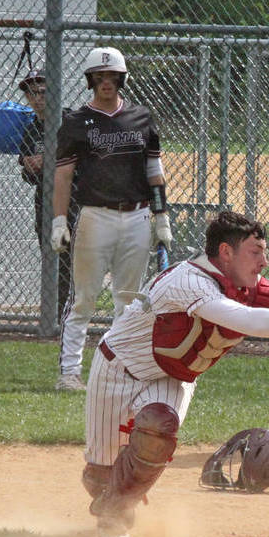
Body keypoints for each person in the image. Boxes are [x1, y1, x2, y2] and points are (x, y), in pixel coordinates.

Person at [81, 211, 269, 537]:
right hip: (118, 369)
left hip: (171, 377)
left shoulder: (253, 288)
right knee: (99, 476)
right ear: (225, 253)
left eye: (265, 251)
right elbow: (247, 321)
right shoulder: (188, 281)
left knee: (158, 428)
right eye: (255, 252)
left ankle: (118, 512)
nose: (265, 261)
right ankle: (109, 493)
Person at [50, 47, 174, 391]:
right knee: (83, 298)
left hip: (137, 215)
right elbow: (62, 176)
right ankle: (70, 372)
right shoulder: (76, 122)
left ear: (122, 79)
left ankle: (119, 369)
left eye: (112, 77)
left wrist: (161, 215)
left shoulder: (141, 117)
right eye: (99, 77)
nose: (106, 83)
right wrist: (59, 220)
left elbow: (154, 170)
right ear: (90, 80)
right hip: (95, 216)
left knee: (129, 299)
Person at [17, 69, 78, 319]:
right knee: (53, 260)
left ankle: (71, 313)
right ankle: (55, 315)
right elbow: (28, 175)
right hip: (45, 205)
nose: (37, 98)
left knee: (73, 261)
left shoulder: (69, 121)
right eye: (31, 93)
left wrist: (48, 160)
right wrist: (29, 166)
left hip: (74, 203)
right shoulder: (31, 129)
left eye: (42, 91)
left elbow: (83, 158)